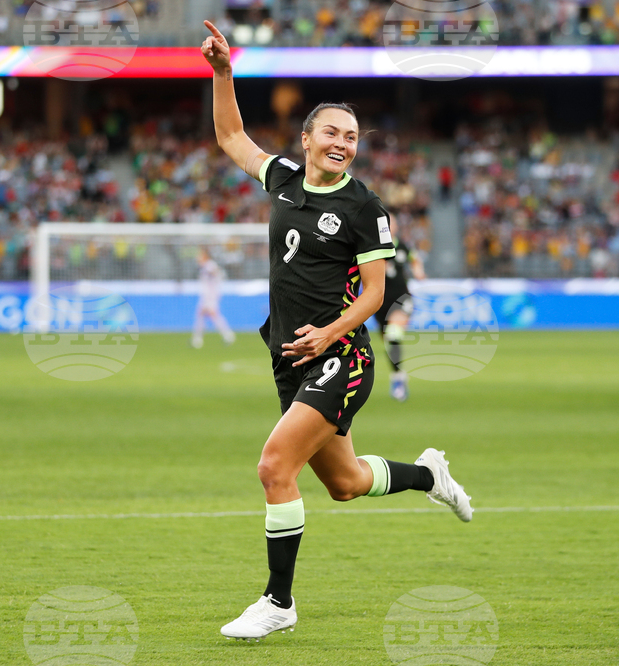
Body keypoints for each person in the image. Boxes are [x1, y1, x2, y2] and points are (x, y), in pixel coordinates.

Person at [200, 20, 473, 641]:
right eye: (332, 133)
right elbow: (230, 135)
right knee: (346, 484)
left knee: (274, 467)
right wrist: (223, 74)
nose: (343, 144)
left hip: (342, 356)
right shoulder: (284, 182)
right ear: (306, 138)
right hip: (287, 354)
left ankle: (278, 602)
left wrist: (328, 334)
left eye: (351, 137)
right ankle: (431, 475)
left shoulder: (364, 208)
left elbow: (376, 294)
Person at [374, 218, 426, 401]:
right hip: (379, 303)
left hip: (402, 300)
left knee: (394, 334)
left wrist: (418, 271)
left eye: (392, 224)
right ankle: (399, 373)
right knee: (389, 342)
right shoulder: (372, 247)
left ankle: (397, 379)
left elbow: (414, 258)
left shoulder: (403, 247)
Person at [191, 247, 236, 348]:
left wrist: (214, 289)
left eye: (200, 255)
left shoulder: (209, 266)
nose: (197, 258)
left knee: (211, 315)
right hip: (207, 295)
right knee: (203, 315)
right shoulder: (204, 267)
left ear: (205, 256)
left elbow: (218, 275)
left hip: (211, 296)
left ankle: (227, 335)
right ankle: (198, 339)